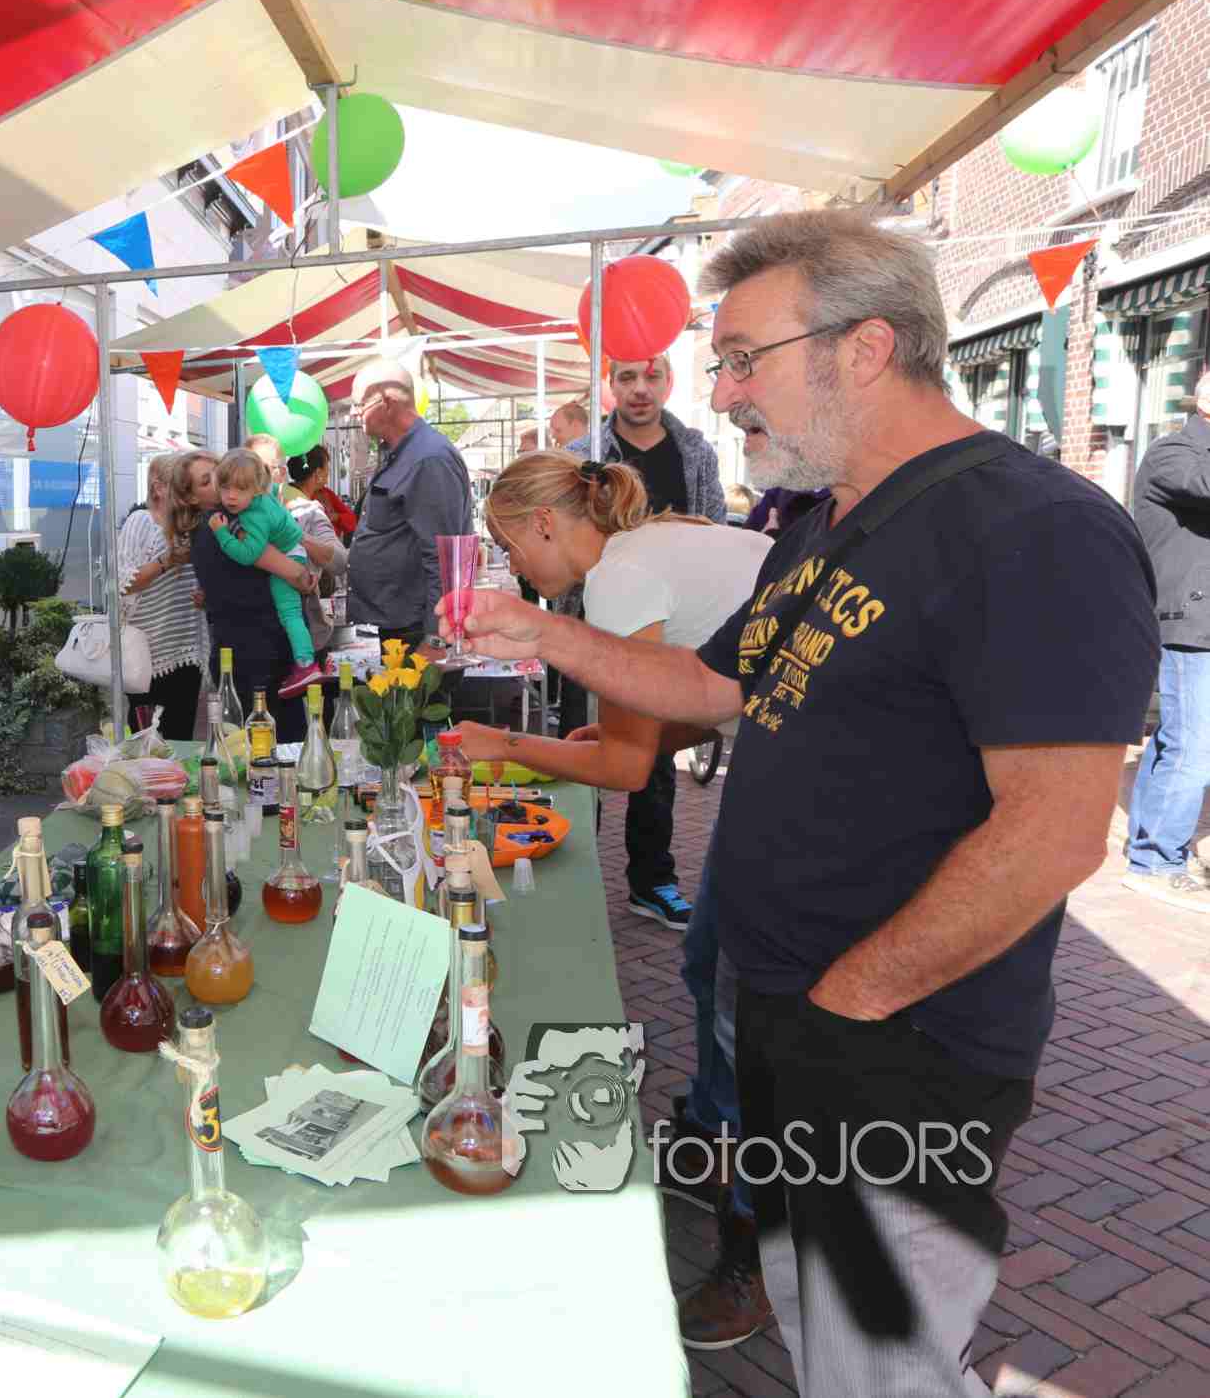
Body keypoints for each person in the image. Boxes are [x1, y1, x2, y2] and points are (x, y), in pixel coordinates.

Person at [444, 210, 1156, 1397]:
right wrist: (539, 629)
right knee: (815, 1323)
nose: (722, 394)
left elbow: (1053, 831)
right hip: (788, 1004)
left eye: (743, 359)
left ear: (864, 348)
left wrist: (850, 1000)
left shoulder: (1035, 528)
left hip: (899, 1039)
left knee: (881, 1367)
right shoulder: (826, 525)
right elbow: (707, 684)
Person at [447, 447, 772, 1346]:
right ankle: (707, 1135)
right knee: (707, 958)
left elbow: (627, 767)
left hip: (809, 768)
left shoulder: (619, 580)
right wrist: (602, 738)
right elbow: (686, 710)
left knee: (744, 1003)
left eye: (510, 546)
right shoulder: (648, 545)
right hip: (782, 748)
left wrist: (503, 747)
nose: (515, 568)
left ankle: (752, 1244)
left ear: (547, 523)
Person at [563, 354, 727, 929]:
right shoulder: (583, 454)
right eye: (627, 377)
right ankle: (572, 875)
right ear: (610, 385)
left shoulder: (695, 452)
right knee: (585, 748)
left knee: (655, 758)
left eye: (651, 376)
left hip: (669, 628)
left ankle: (652, 879)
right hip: (594, 624)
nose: (639, 389)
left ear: (668, 382)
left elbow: (714, 529)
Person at [1125, 393, 1210, 908]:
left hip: (1202, 625)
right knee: (1192, 748)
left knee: (1174, 741)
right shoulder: (1172, 452)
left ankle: (1147, 846)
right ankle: (1157, 861)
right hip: (1189, 625)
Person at [346, 356, 473, 653]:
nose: (353, 413)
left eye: (359, 404)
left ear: (386, 402)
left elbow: (445, 557)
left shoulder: (428, 459)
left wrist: (436, 638)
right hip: (403, 623)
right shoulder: (402, 453)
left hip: (418, 630)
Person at [208, 448, 326, 696]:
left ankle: (306, 664)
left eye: (240, 489)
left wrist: (222, 533)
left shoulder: (253, 516)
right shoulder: (265, 495)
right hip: (295, 548)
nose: (230, 496)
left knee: (290, 614)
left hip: (290, 554)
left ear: (256, 488)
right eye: (225, 488)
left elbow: (248, 554)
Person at [119, 451, 213, 739]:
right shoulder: (141, 521)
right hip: (145, 651)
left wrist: (206, 595)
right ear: (158, 487)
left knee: (180, 737)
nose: (185, 492)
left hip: (186, 647)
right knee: (146, 739)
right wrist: (167, 561)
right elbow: (123, 582)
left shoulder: (194, 524)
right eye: (178, 484)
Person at [283, 443, 351, 658]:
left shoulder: (273, 498)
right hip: (300, 611)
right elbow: (340, 561)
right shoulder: (309, 510)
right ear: (318, 474)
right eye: (327, 469)